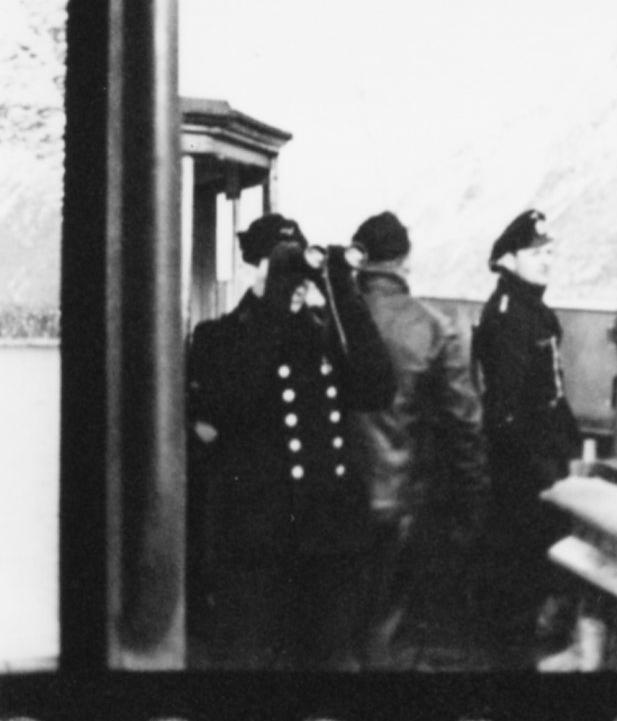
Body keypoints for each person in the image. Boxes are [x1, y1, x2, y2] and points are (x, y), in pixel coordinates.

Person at [186, 212, 395, 670]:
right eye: (279, 264)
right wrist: (273, 307)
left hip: (329, 542)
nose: (293, 279)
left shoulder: (321, 337)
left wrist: (343, 291)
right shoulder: (217, 337)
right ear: (251, 268)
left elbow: (378, 388)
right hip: (258, 545)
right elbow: (231, 402)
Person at [349, 211, 485, 669]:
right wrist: (471, 504)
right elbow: (465, 425)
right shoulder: (433, 326)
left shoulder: (326, 318)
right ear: (405, 261)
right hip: (403, 502)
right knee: (391, 627)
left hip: (329, 500)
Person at [471, 209, 582, 667]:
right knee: (520, 566)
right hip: (524, 466)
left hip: (547, 457)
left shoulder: (532, 311)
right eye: (536, 253)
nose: (546, 260)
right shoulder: (508, 315)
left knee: (537, 565)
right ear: (509, 260)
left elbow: (551, 395)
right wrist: (539, 470)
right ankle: (512, 659)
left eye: (550, 252)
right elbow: (506, 410)